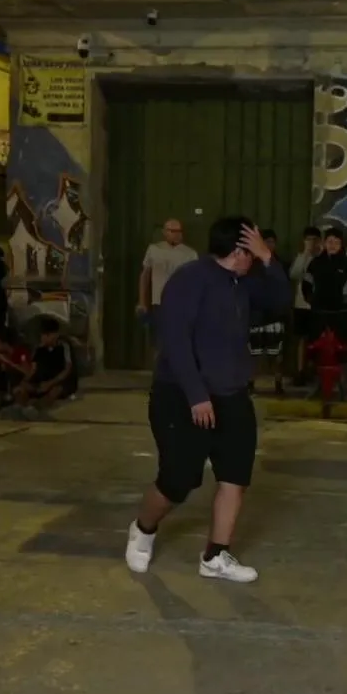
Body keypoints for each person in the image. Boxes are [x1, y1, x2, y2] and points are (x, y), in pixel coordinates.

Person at [125, 215, 289, 584]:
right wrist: (197, 396)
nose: (256, 256)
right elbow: (176, 342)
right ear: (238, 252)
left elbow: (281, 301)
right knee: (178, 479)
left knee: (235, 475)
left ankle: (215, 555)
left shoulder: (245, 281)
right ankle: (144, 528)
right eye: (253, 250)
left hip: (232, 394)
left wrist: (268, 259)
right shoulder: (190, 280)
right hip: (182, 394)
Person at [137, 218, 196, 351]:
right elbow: (145, 276)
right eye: (172, 231)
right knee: (160, 340)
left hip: (182, 303)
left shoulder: (190, 254)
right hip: (159, 301)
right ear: (164, 232)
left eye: (179, 231)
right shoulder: (154, 249)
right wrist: (142, 301)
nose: (176, 234)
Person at [301, 225, 347, 350]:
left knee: (342, 349)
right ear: (324, 243)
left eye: (336, 242)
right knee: (316, 349)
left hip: (341, 314)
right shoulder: (316, 263)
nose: (333, 245)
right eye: (330, 242)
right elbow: (306, 283)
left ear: (341, 244)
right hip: (319, 314)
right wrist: (310, 299)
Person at [7, 318, 73, 420]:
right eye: (42, 335)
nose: (43, 338)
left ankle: (37, 409)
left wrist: (50, 383)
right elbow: (33, 369)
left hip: (57, 382)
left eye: (46, 335)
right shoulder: (39, 349)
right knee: (22, 389)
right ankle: (19, 409)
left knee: (55, 391)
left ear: (55, 335)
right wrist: (24, 381)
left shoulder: (64, 347)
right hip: (41, 381)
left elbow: (67, 370)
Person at [248, 228, 287, 396]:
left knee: (276, 354)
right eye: (266, 242)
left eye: (272, 242)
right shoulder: (250, 263)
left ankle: (278, 384)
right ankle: (250, 383)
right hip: (255, 317)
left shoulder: (279, 264)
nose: (269, 245)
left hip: (275, 317)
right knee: (253, 354)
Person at [287, 226, 321, 385]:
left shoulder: (323, 258)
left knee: (317, 339)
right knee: (302, 339)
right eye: (309, 239)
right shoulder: (301, 257)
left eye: (315, 240)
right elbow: (294, 274)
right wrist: (306, 254)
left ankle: (314, 370)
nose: (312, 243)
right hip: (301, 304)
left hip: (318, 306)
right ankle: (300, 371)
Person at [0, 328, 32, 408]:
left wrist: (7, 361)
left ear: (5, 343)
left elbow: (27, 372)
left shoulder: (21, 352)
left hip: (18, 384)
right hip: (2, 386)